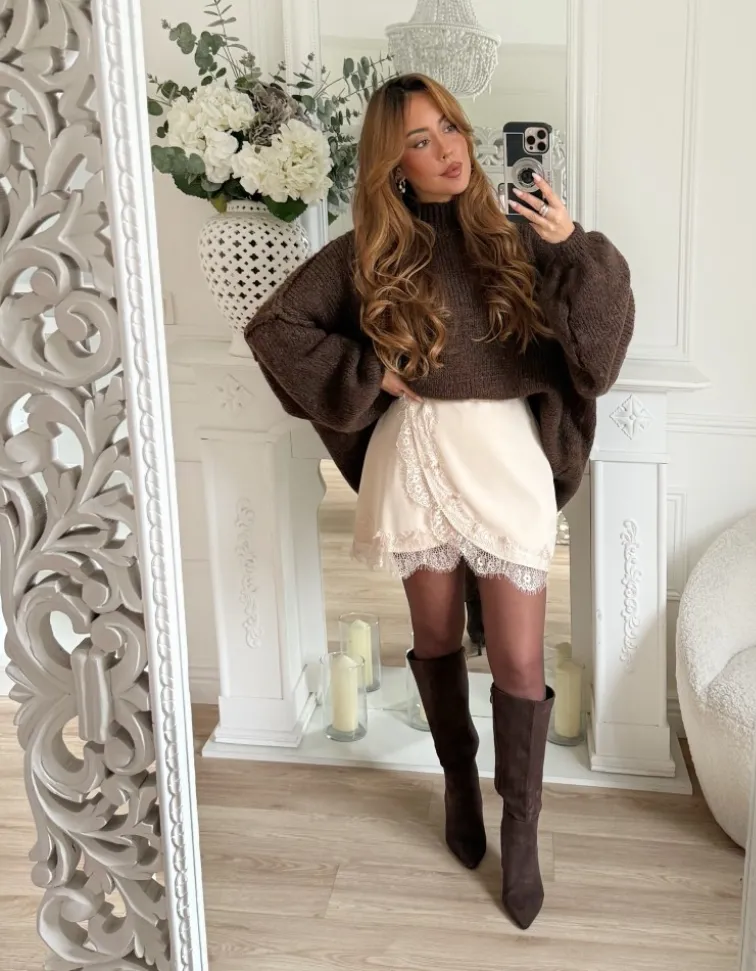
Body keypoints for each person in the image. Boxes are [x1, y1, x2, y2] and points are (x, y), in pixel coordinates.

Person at [244, 73, 634, 929]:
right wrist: (369, 373)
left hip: (506, 457)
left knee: (521, 661)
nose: (447, 149)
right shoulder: (367, 253)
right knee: (434, 637)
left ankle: (521, 827)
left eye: (449, 128)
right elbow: (275, 328)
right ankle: (459, 780)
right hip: (417, 456)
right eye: (419, 140)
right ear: (395, 164)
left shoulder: (517, 232)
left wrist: (572, 244)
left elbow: (599, 356)